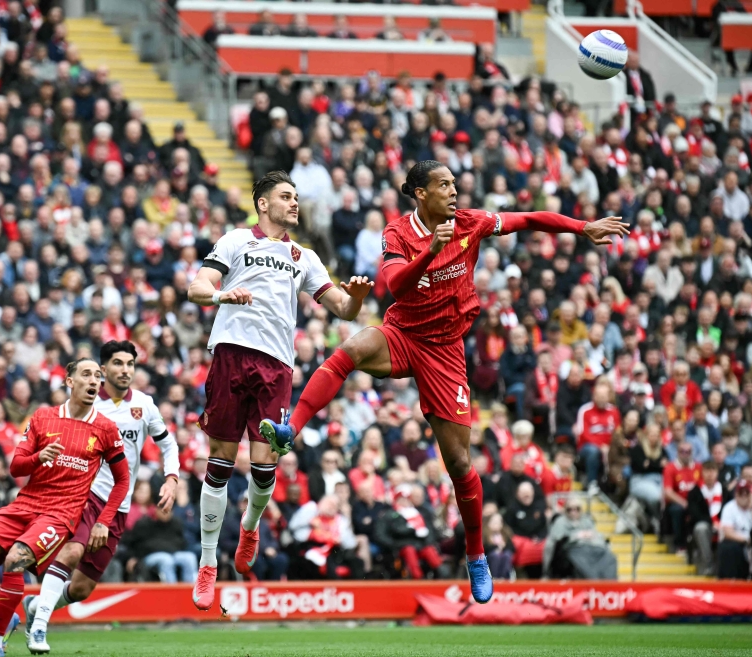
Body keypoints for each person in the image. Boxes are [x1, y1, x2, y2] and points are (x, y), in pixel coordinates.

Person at [261, 160, 627, 603]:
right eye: (444, 185)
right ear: (420, 193)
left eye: (455, 184)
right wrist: (431, 252)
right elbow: (394, 285)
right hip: (403, 332)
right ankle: (290, 430)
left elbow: (528, 218)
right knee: (351, 349)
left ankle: (476, 555)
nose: (455, 191)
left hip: (446, 352)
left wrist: (581, 225)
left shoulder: (470, 223)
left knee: (458, 465)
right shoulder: (398, 232)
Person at [185, 171, 372, 611]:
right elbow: (196, 288)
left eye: (295, 197)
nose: (294, 203)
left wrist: (359, 297)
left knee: (265, 467)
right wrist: (222, 298)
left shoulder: (303, 256)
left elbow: (343, 309)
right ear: (263, 204)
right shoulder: (235, 241)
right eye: (285, 197)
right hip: (231, 355)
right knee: (220, 464)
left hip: (276, 367)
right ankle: (208, 562)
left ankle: (250, 526)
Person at [0, 359, 128, 657]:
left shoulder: (105, 428)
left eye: (98, 377)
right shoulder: (42, 417)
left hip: (62, 512)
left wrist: (103, 521)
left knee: (16, 558)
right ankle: (6, 617)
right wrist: (39, 457)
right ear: (69, 381)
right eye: (87, 375)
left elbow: (123, 481)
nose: (94, 381)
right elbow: (15, 467)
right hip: (26, 503)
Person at [22, 342, 178, 654]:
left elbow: (168, 444)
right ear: (103, 370)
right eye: (118, 364)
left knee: (81, 589)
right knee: (71, 552)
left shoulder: (145, 405)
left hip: (119, 503)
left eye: (131, 364)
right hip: (84, 494)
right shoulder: (88, 407)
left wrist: (172, 478)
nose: (126, 370)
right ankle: (39, 626)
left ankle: (35, 605)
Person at [718, 478, 752, 579]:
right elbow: (728, 533)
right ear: (735, 495)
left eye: (746, 493)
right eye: (740, 493)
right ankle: (734, 579)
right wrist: (746, 540)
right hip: (738, 541)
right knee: (730, 548)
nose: (743, 496)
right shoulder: (729, 508)